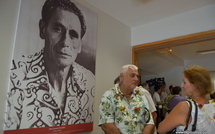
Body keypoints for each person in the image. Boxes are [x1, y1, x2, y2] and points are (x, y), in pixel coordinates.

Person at [5, 0, 95, 130]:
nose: (65, 42)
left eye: (73, 35)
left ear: (80, 45)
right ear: (42, 29)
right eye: (58, 29)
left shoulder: (90, 81)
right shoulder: (14, 76)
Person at [158, 65, 215, 134]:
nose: (181, 85)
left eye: (184, 82)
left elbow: (161, 129)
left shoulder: (185, 107)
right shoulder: (211, 106)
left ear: (196, 85)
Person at [99, 64, 155, 134]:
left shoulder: (141, 96)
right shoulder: (109, 95)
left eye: (137, 76)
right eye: (132, 76)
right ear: (122, 77)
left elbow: (150, 122)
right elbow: (106, 125)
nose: (136, 79)